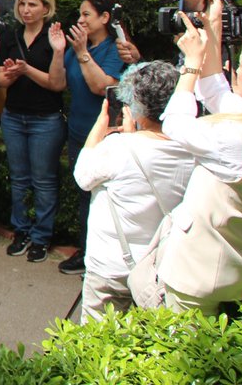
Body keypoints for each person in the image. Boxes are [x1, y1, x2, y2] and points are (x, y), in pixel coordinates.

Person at [128, 4, 242, 315]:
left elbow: (175, 123)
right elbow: (215, 90)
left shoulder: (238, 141)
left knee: (188, 353)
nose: (234, 69)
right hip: (241, 264)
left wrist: (190, 65)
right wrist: (211, 29)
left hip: (200, 275)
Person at [74, 62, 194, 321]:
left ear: (136, 103)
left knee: (94, 347)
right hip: (159, 270)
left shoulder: (119, 147)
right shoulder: (192, 150)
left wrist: (101, 123)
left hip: (110, 268)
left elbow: (82, 176)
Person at [0, 0, 67, 264]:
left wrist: (27, 69)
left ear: (46, 9)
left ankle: (41, 236)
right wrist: (12, 73)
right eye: (23, 4)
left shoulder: (54, 38)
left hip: (45, 118)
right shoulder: (11, 35)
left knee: (44, 181)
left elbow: (57, 83)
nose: (25, 10)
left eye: (32, 5)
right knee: (19, 177)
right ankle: (21, 230)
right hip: (13, 115)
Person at [59, 0, 124, 276]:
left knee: (104, 198)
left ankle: (102, 257)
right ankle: (86, 252)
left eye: (87, 15)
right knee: (83, 193)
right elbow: (62, 82)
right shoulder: (74, 48)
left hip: (105, 136)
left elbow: (102, 87)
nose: (81, 20)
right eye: (80, 14)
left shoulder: (115, 49)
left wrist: (84, 52)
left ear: (105, 18)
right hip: (77, 132)